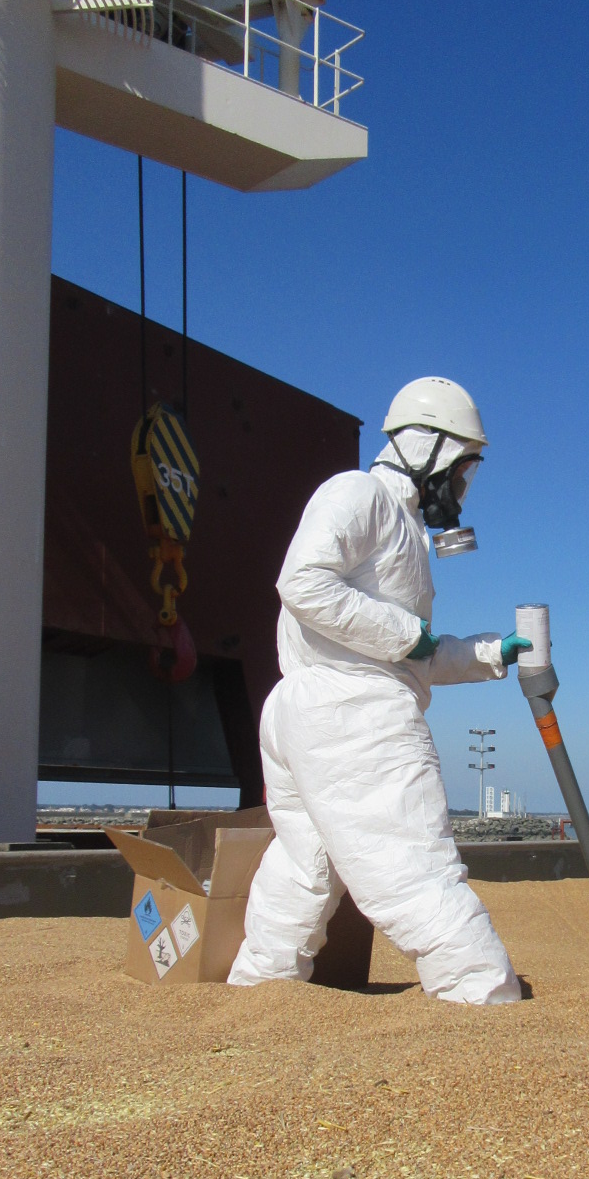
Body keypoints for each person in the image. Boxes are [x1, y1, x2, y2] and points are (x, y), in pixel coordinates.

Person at [228, 377, 531, 1003]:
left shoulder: (403, 527)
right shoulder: (359, 493)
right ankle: (481, 995)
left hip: (310, 709)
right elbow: (304, 583)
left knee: (303, 866)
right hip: (351, 714)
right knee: (413, 866)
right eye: (466, 468)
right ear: (434, 449)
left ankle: (259, 993)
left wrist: (485, 654)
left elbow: (408, 655)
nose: (466, 485)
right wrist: (406, 634)